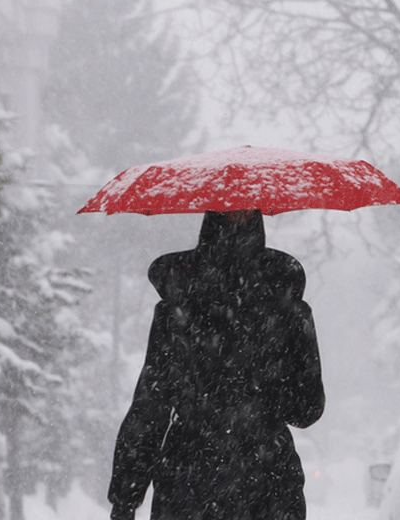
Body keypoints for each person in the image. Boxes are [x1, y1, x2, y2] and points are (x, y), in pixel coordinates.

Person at [108, 209, 325, 520]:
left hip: (188, 482)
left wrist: (125, 499)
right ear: (258, 219)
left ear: (209, 220)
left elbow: (151, 407)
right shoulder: (283, 298)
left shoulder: (180, 300)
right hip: (266, 484)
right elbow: (306, 410)